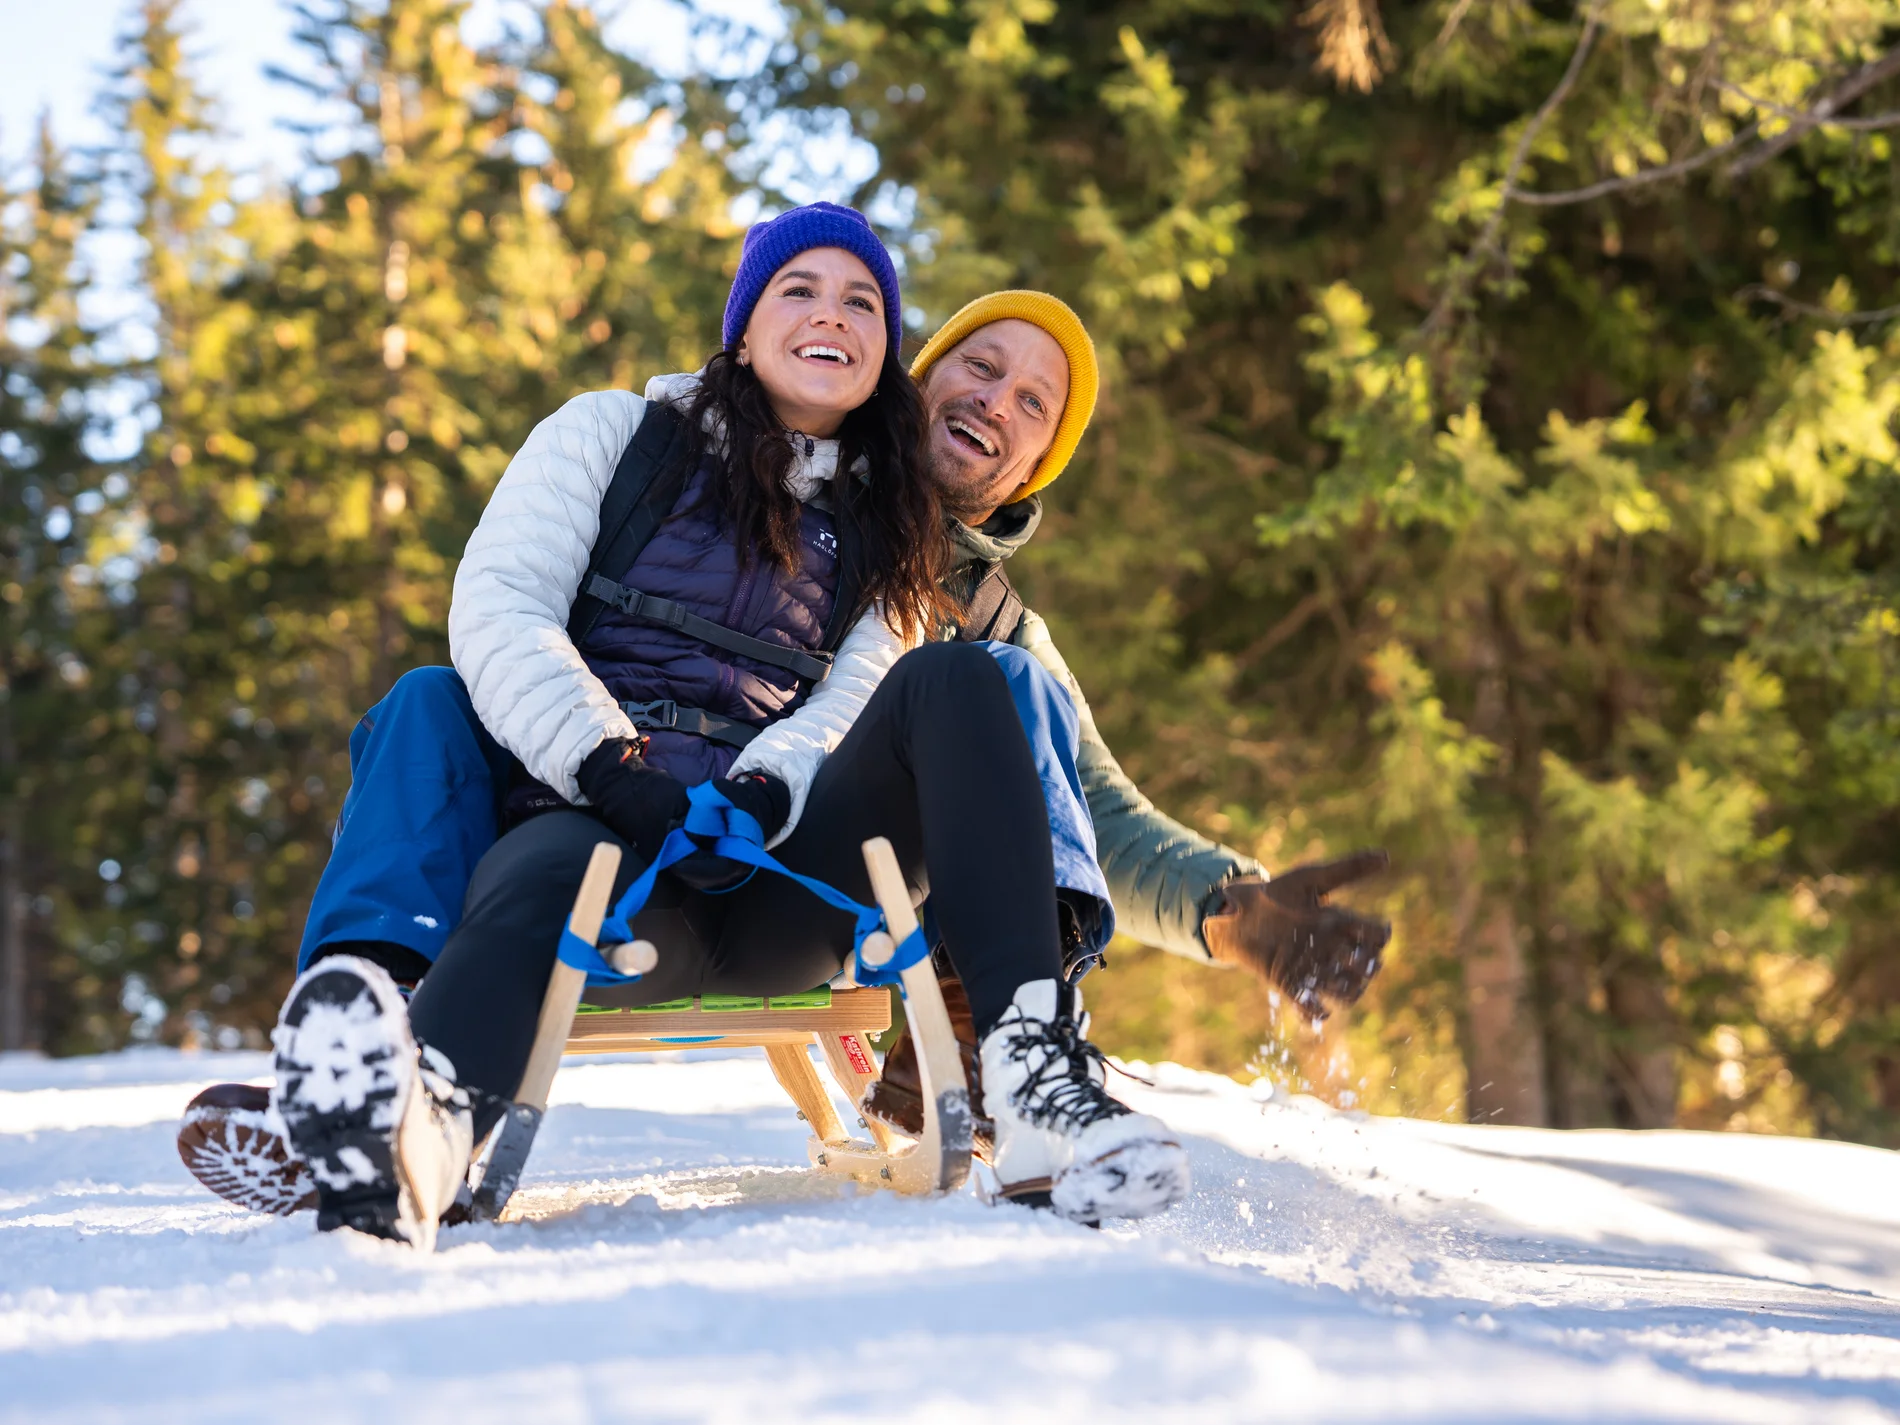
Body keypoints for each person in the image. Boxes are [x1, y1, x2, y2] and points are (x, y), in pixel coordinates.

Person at [264, 207, 1192, 1251]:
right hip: (607, 846)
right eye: (799, 289)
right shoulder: (611, 435)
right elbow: (502, 604)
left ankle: (1031, 1083)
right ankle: (413, 1132)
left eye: (861, 302)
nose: (829, 315)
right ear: (745, 322)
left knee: (966, 678)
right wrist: (607, 764)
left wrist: (766, 787)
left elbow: (858, 693)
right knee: (537, 867)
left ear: (884, 353)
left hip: (782, 881)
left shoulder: (892, 534)